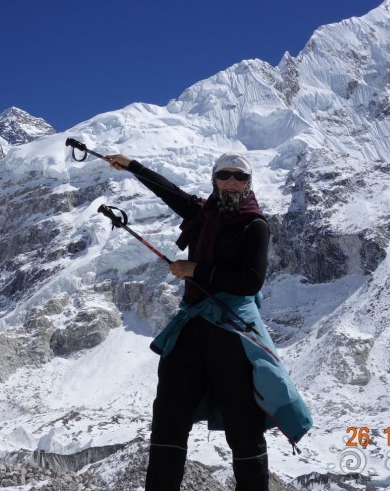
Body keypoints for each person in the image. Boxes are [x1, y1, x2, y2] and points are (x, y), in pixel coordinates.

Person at [103, 151, 311, 491]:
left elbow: (251, 281)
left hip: (232, 329)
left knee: (243, 426)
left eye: (240, 177)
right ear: (214, 179)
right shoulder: (203, 213)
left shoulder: (254, 224)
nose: (232, 182)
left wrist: (197, 270)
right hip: (193, 325)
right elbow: (169, 192)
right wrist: (132, 166)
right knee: (169, 417)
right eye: (224, 175)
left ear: (249, 183)